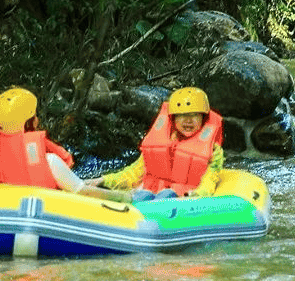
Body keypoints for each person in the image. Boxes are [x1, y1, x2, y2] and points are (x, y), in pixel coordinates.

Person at [96, 86, 225, 201]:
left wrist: (197, 195)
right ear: (173, 118)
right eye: (182, 115)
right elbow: (134, 173)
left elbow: (210, 179)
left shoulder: (213, 150)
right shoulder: (158, 143)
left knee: (166, 194)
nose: (188, 120)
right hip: (148, 194)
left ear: (203, 118)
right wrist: (103, 180)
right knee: (143, 195)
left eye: (194, 115)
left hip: (181, 199)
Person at [0, 86, 90, 192]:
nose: (37, 119)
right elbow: (85, 193)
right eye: (34, 116)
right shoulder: (50, 161)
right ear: (28, 122)